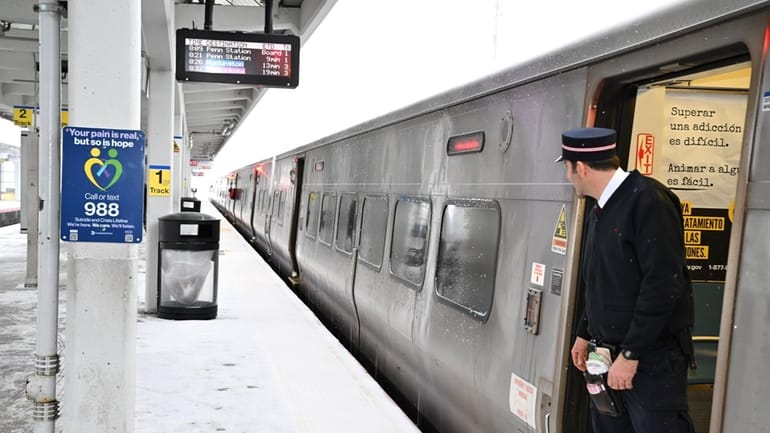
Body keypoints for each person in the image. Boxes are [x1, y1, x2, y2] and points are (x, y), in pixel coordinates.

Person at [557, 127, 695, 433]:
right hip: (606, 355)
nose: (568, 177)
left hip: (650, 361)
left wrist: (631, 354)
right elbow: (602, 281)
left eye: (567, 169)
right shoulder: (600, 207)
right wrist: (585, 331)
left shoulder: (649, 201)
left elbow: (663, 284)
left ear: (581, 167)